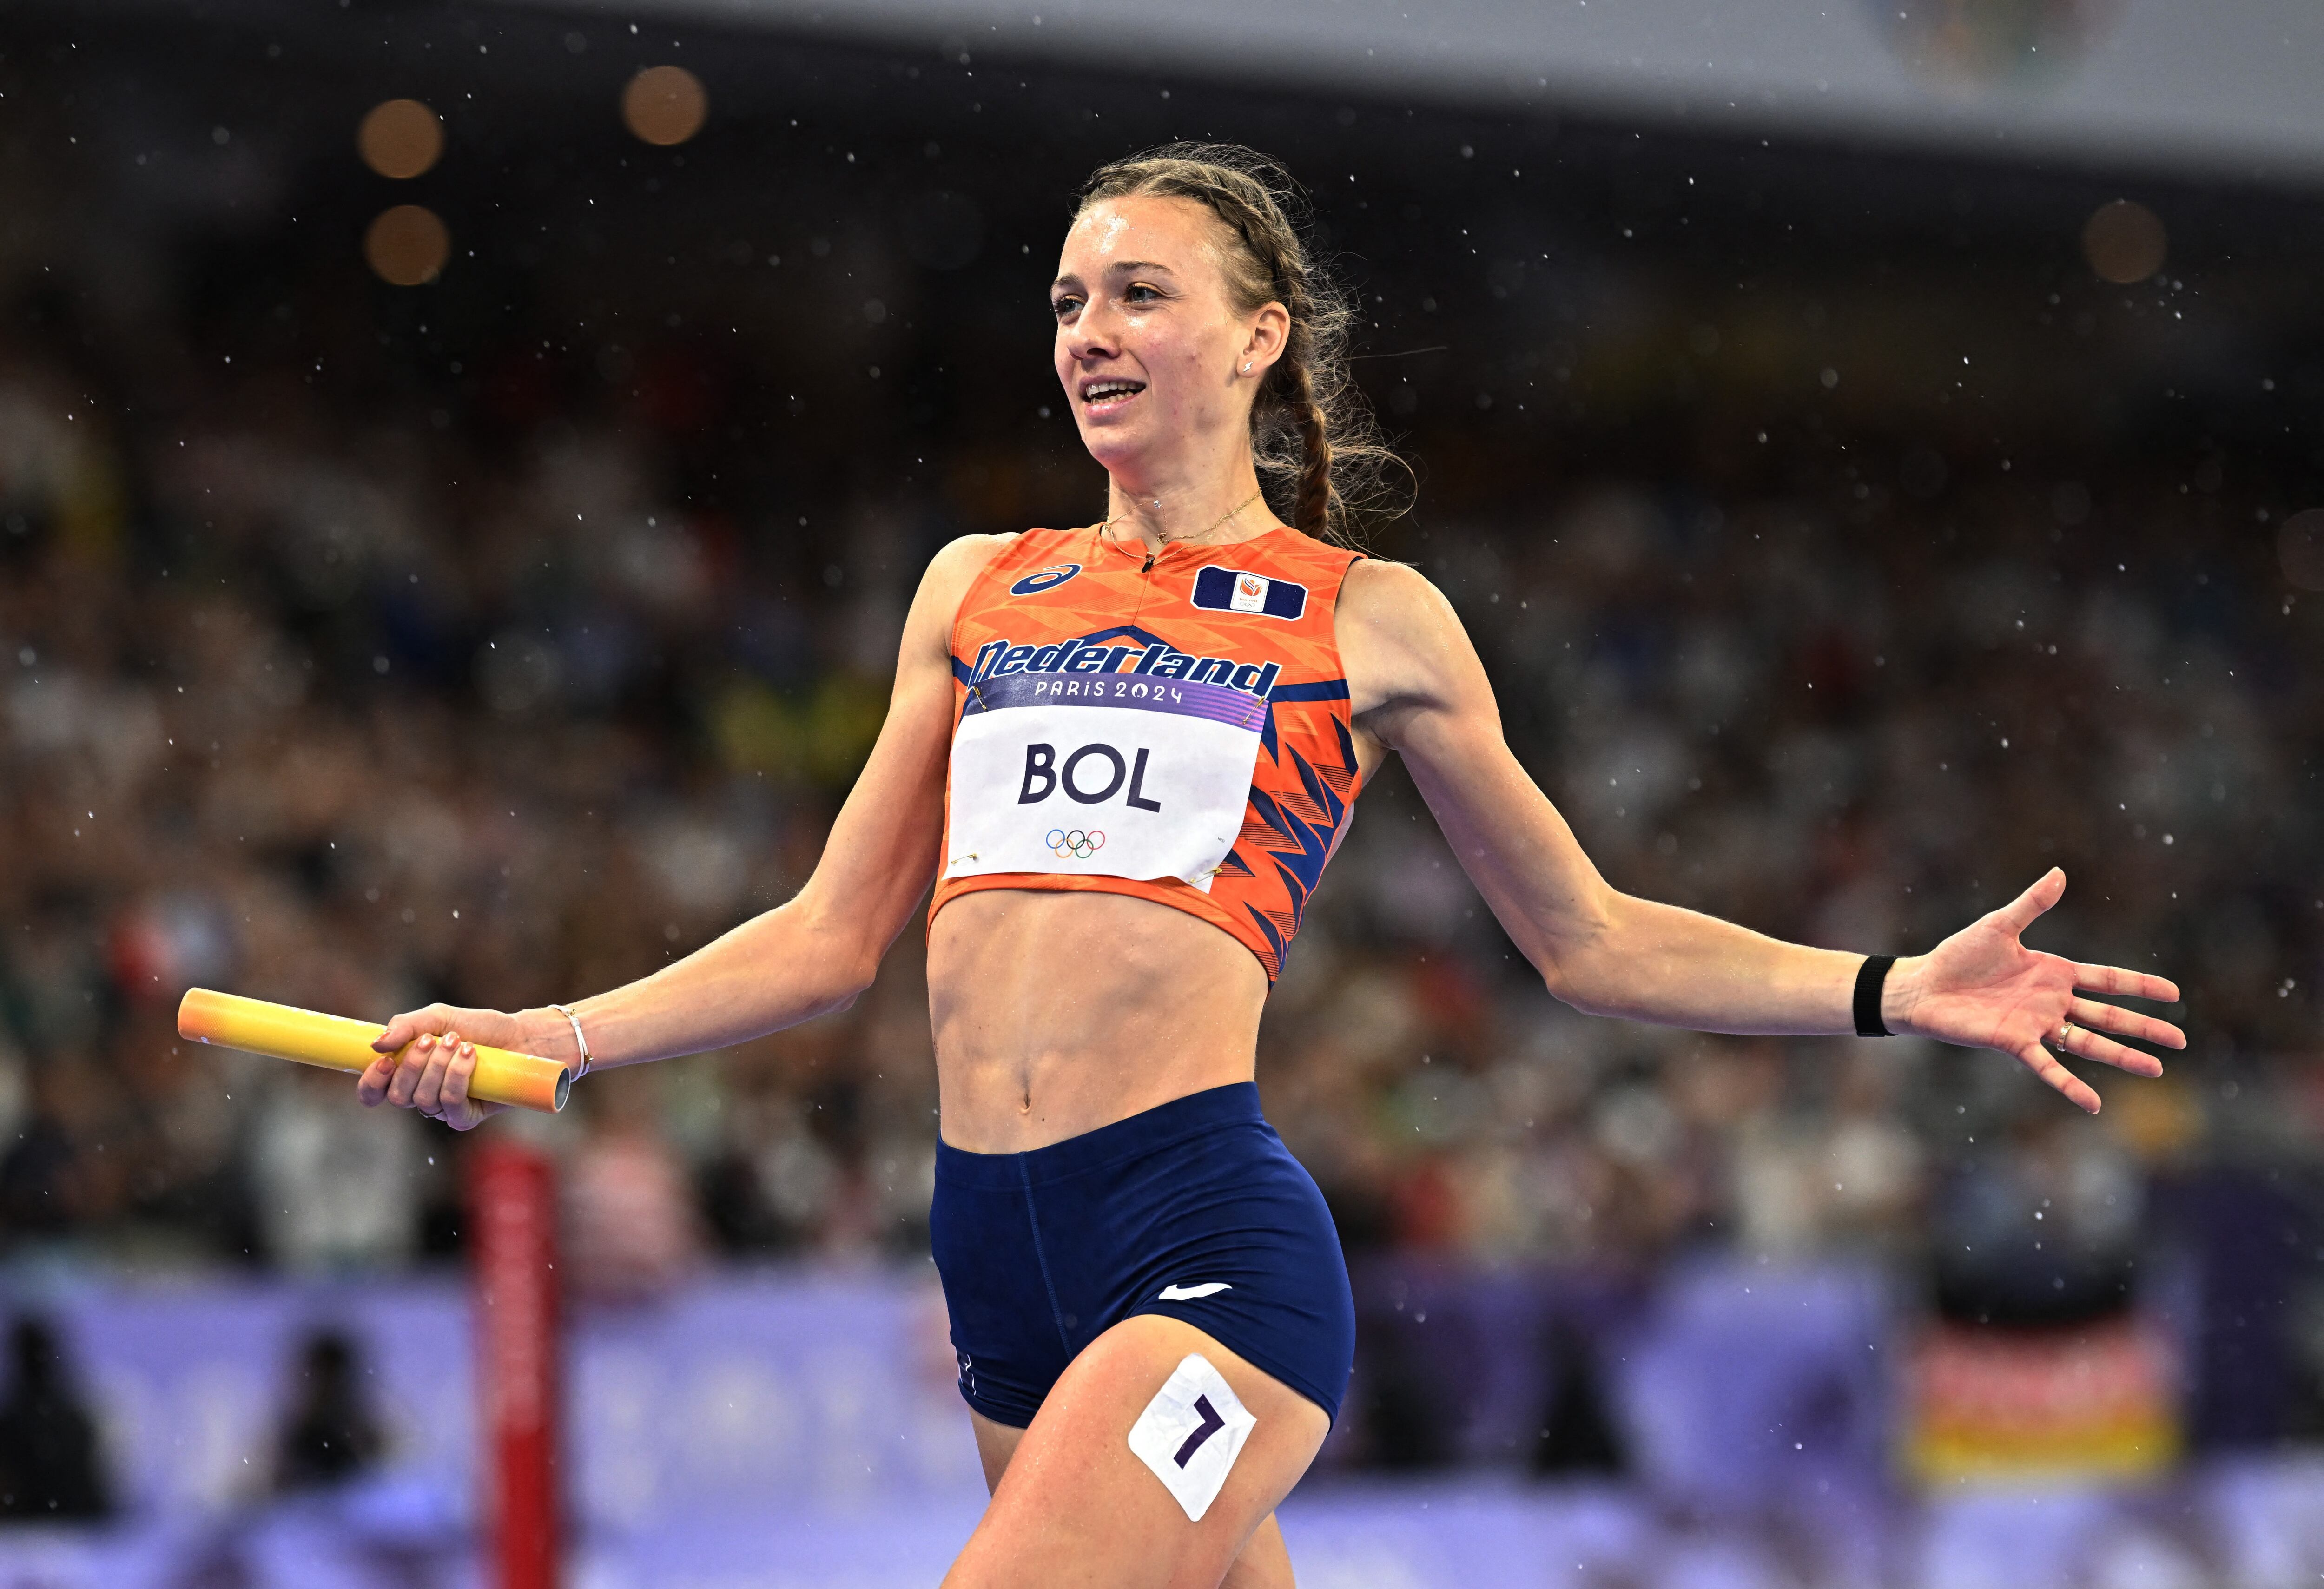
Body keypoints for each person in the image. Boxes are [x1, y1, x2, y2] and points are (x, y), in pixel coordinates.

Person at [357, 144, 2185, 1588]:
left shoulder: (1365, 623)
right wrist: (549, 1031)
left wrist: (1888, 990)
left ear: (1254, 340)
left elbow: (1594, 942)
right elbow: (831, 937)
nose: (1086, 329)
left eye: (1138, 294)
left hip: (1198, 1256)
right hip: (993, 1248)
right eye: (1067, 297)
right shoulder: (973, 588)